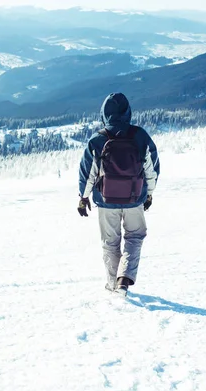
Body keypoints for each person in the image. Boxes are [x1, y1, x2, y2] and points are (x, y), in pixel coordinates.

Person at [77, 93, 160, 296]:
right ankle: (124, 279)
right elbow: (151, 169)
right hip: (134, 198)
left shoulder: (98, 139)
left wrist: (83, 197)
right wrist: (148, 193)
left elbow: (89, 172)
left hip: (106, 200)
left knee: (110, 242)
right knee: (135, 236)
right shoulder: (140, 136)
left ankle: (114, 285)